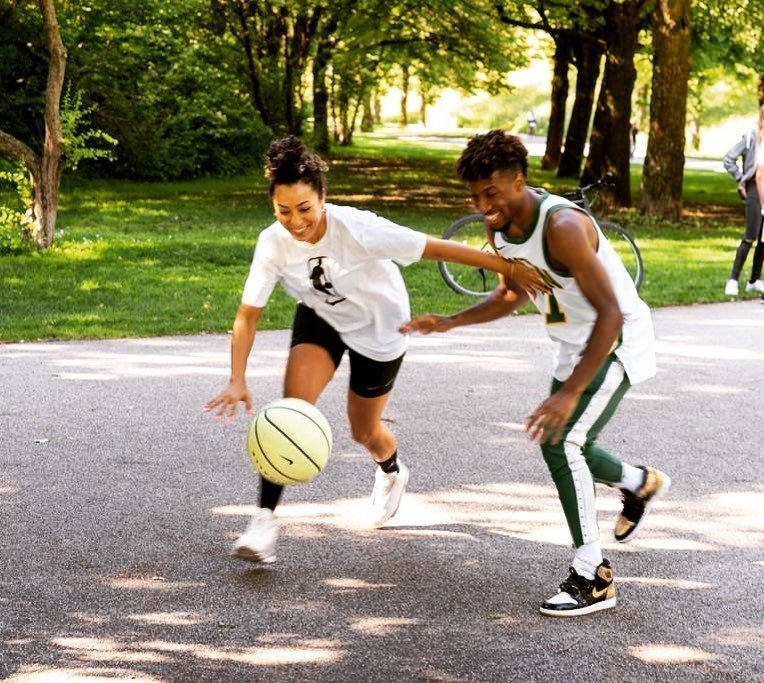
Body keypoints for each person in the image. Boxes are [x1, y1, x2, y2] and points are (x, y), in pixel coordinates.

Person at [204, 135, 549, 565]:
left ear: (324, 198)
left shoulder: (361, 229)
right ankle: (264, 520)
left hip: (381, 327)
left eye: (305, 209)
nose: (295, 221)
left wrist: (510, 267)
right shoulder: (272, 242)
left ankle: (391, 470)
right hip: (322, 317)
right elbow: (247, 315)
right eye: (284, 211)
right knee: (290, 413)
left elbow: (437, 248)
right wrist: (237, 377)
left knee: (363, 432)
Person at [401, 130, 670, 617]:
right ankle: (637, 482)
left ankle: (594, 575)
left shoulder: (562, 226)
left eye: (492, 193)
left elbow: (609, 312)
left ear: (519, 182)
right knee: (572, 443)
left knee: (561, 441)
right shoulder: (499, 228)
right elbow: (512, 293)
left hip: (617, 338)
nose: (484, 206)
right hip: (574, 344)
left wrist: (568, 393)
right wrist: (450, 321)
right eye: (475, 196)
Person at [722, 105, 764, 297]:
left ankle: (754, 281)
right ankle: (732, 280)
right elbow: (728, 159)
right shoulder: (751, 138)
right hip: (754, 192)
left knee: (763, 240)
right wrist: (740, 178)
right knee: (750, 236)